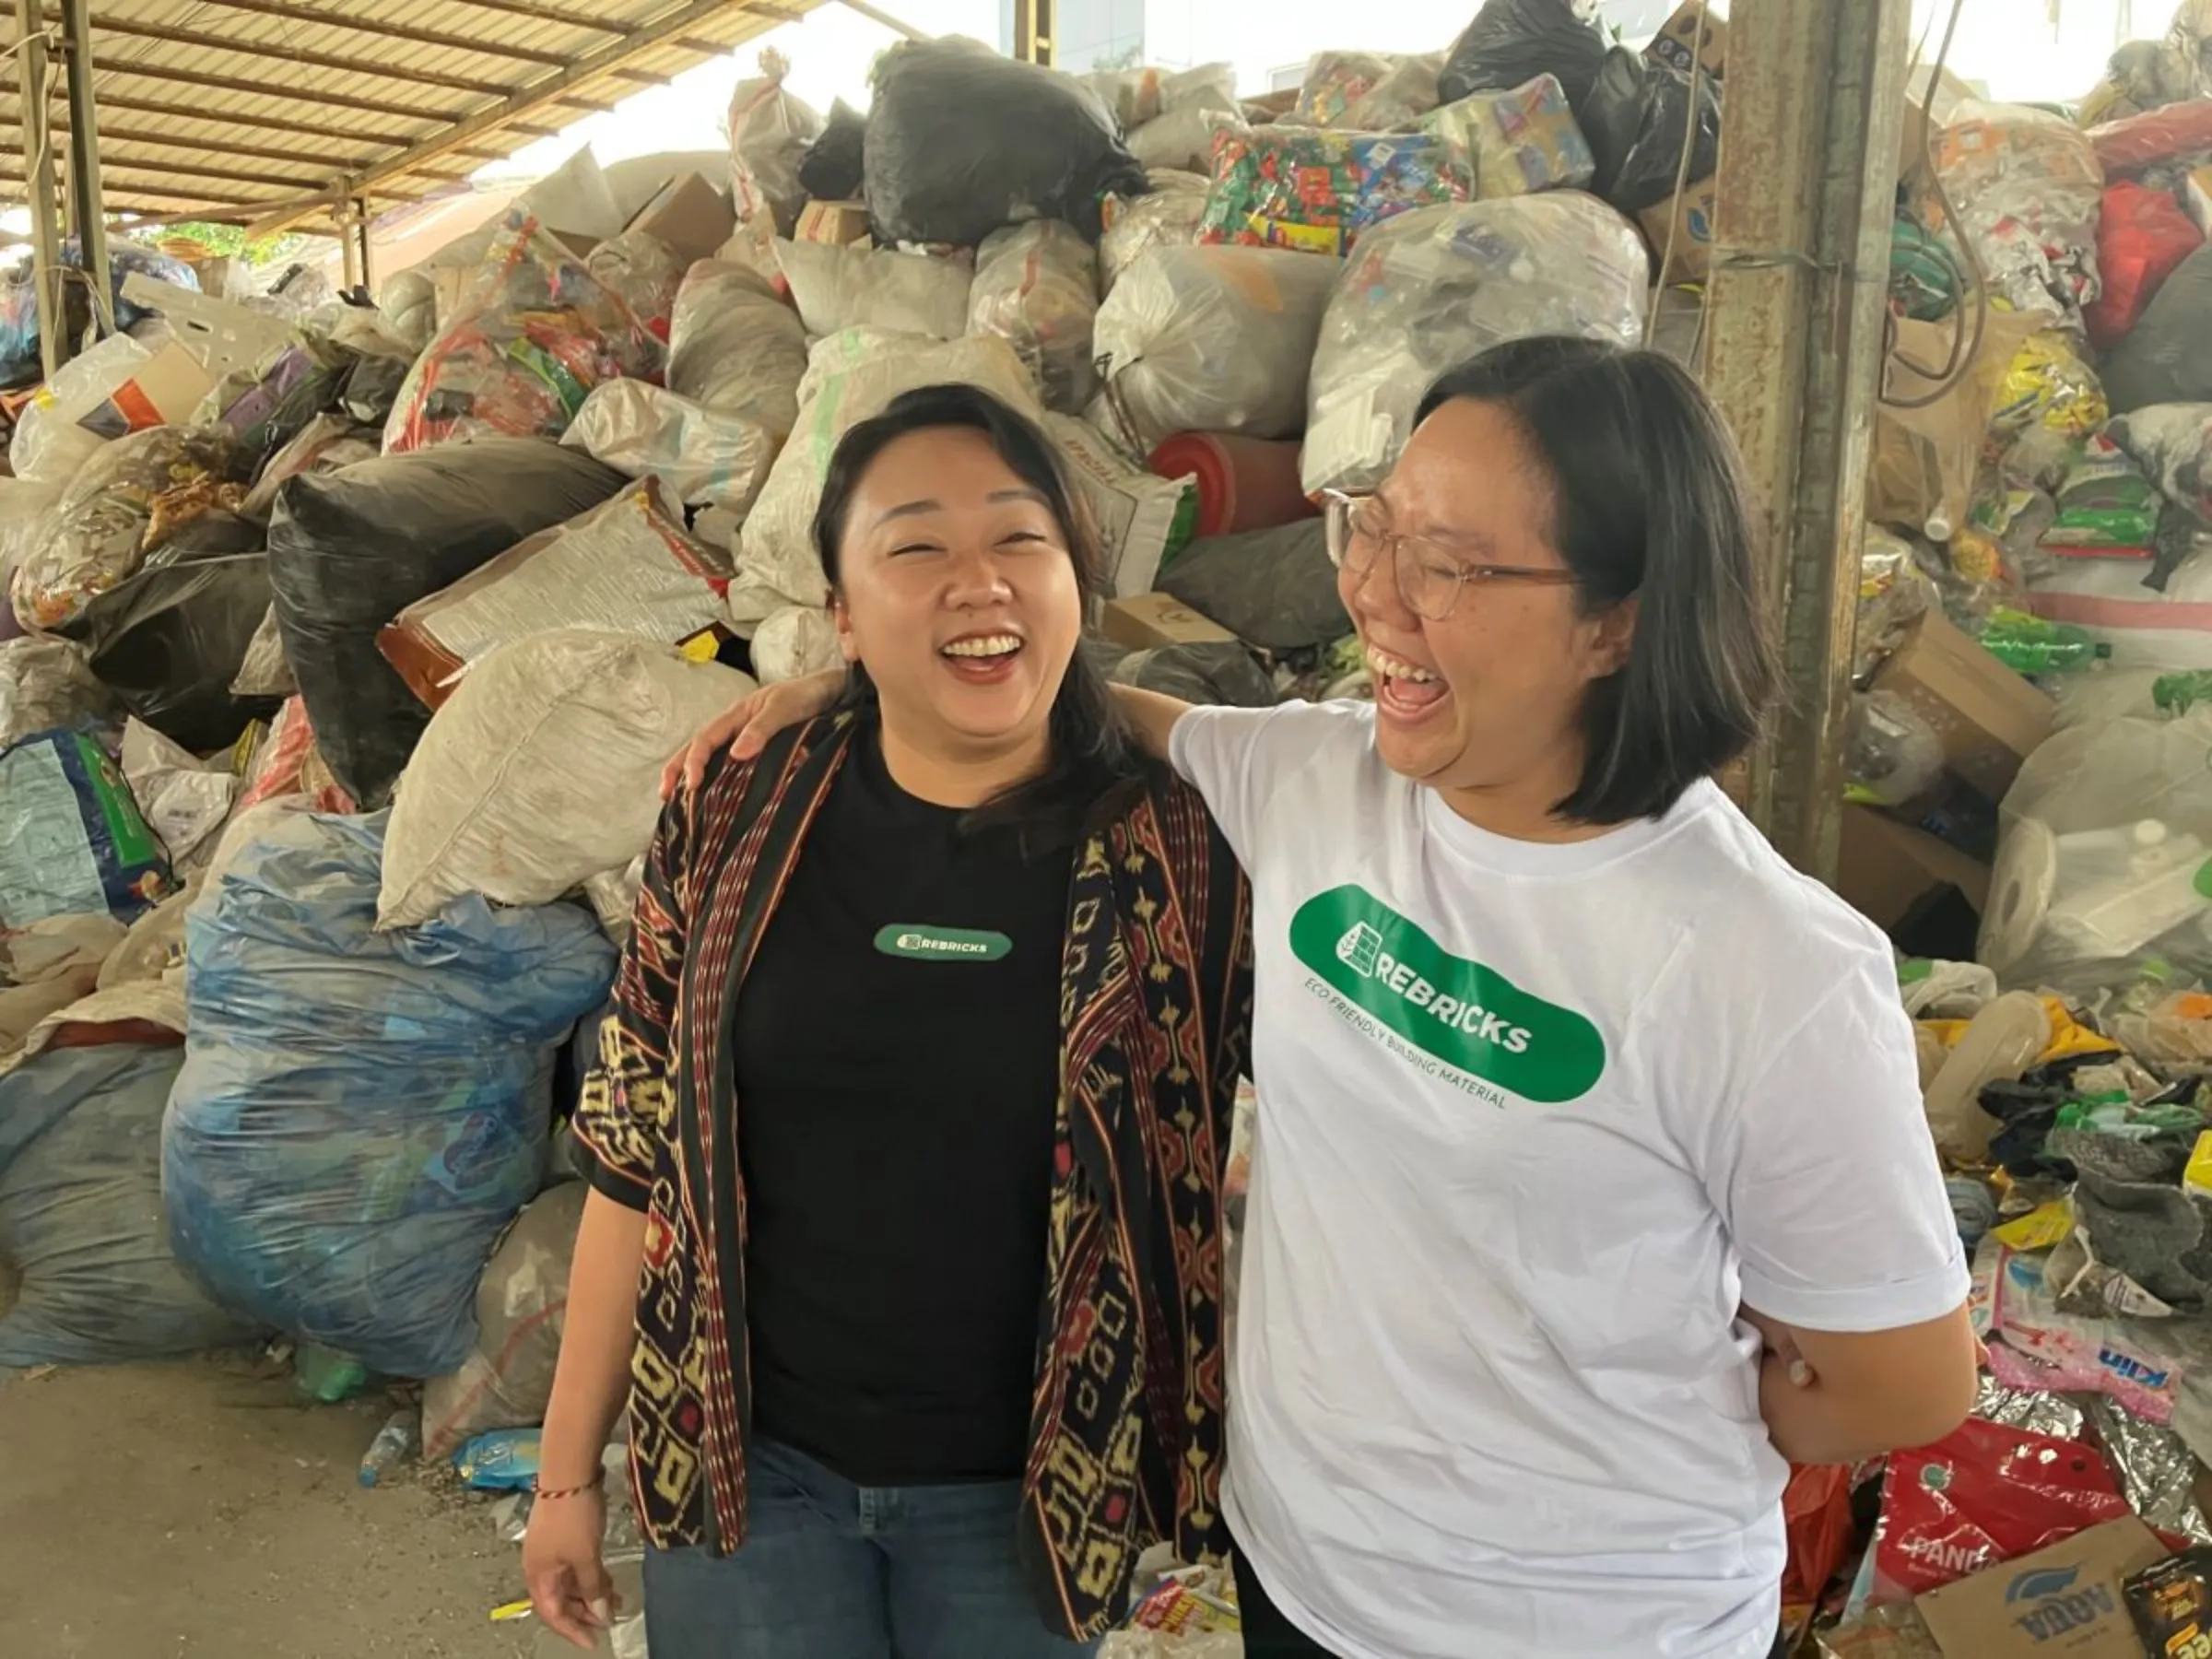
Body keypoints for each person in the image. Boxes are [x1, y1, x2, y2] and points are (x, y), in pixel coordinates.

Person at [673, 337, 1980, 1659]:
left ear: (1619, 619)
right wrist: (859, 680)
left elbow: (1905, 1377)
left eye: (1452, 565)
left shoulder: (1764, 964)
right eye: (1377, 531)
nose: (1379, 599)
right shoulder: (1315, 785)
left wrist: (1652, 1421)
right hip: (1305, 1575)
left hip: (1593, 1620)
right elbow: (1072, 707)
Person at [526, 382, 1253, 1658]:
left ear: (1078, 582)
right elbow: (631, 1157)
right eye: (917, 547)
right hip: (749, 1475)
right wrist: (566, 1478)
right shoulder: (738, 815)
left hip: (1028, 1499)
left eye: (1020, 541)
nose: (979, 582)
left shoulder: (1182, 846)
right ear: (843, 620)